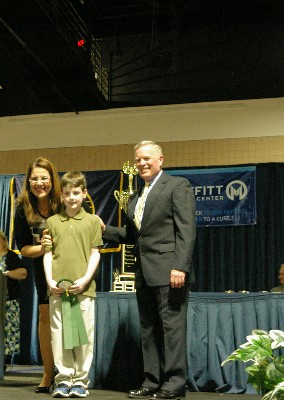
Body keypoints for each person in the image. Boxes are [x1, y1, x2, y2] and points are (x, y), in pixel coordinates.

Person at [101, 141, 196, 400]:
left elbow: (186, 230)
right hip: (143, 273)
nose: (141, 163)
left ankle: (175, 383)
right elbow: (134, 236)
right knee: (148, 330)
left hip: (170, 272)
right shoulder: (134, 198)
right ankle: (152, 381)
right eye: (138, 160)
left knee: (172, 330)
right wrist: (104, 230)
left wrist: (180, 267)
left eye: (146, 158)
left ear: (160, 159)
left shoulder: (177, 186)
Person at [43, 171, 102, 398]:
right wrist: (50, 280)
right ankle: (63, 378)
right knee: (59, 336)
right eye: (67, 193)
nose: (71, 198)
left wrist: (85, 279)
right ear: (61, 195)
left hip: (84, 290)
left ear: (85, 193)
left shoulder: (92, 221)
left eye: (76, 193)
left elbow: (95, 253)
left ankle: (80, 380)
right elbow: (48, 254)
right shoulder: (52, 222)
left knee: (82, 337)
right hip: (57, 290)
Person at [13, 157, 63, 393]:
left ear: (52, 180)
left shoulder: (64, 202)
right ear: (28, 181)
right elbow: (23, 247)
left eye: (44, 178)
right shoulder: (22, 206)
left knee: (69, 317)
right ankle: (47, 372)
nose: (39, 183)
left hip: (69, 267)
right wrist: (43, 249)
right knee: (45, 316)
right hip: (42, 268)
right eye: (35, 178)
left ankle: (70, 373)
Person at [0, 228, 28, 364]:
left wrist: (6, 274)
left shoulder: (10, 256)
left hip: (8, 302)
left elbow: (23, 273)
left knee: (7, 332)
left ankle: (3, 360)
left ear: (4, 242)